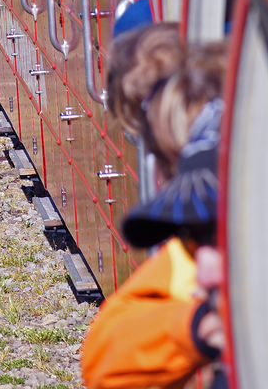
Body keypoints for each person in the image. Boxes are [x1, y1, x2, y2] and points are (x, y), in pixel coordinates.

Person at [81, 43, 229, 389]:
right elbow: (105, 356)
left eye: (223, 232)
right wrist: (202, 325)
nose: (205, 269)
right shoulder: (193, 254)